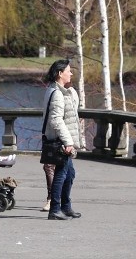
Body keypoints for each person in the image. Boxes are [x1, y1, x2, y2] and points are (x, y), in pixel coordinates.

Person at [43, 59, 82, 220]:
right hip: (60, 142)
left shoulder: (58, 91)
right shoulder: (57, 94)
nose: (71, 73)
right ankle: (55, 209)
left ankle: (65, 207)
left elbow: (72, 110)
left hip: (61, 140)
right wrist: (68, 142)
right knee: (62, 173)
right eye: (68, 70)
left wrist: (73, 93)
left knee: (69, 173)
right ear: (60, 73)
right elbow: (56, 120)